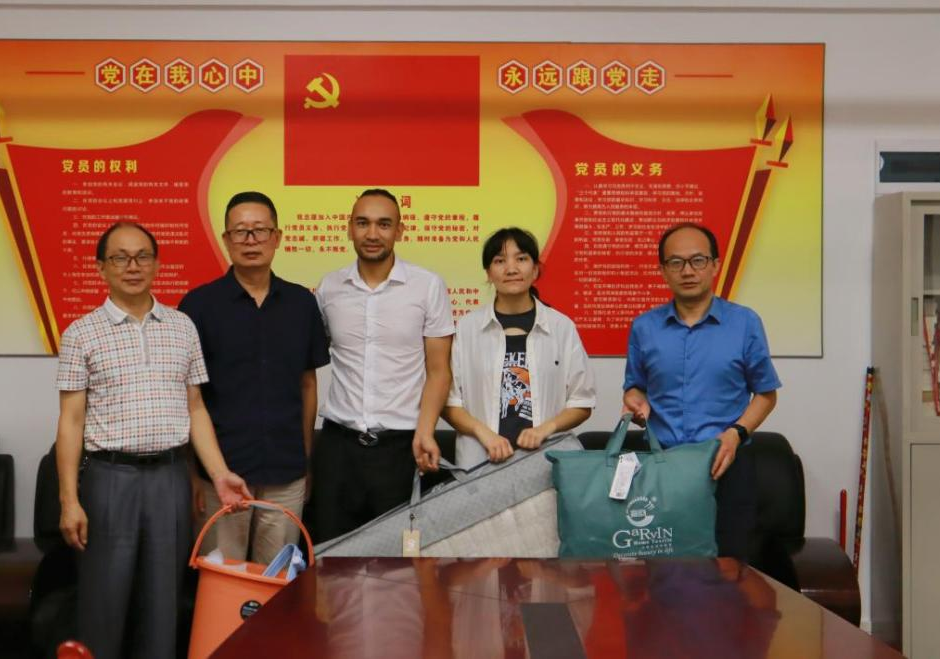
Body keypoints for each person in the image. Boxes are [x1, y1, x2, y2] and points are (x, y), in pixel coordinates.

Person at [54, 222, 251, 659]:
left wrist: (219, 474)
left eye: (143, 256)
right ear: (101, 268)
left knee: (164, 605)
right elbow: (70, 422)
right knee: (104, 603)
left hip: (170, 478)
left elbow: (195, 409)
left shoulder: (182, 327)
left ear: (157, 264)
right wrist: (69, 500)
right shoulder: (81, 333)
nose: (133, 266)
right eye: (120, 257)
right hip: (109, 480)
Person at [179, 191, 329, 564]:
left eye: (260, 230)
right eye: (240, 231)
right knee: (220, 580)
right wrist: (193, 474)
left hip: (286, 473)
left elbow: (307, 385)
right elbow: (188, 397)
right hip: (220, 475)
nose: (250, 240)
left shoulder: (301, 303)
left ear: (277, 237)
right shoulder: (197, 306)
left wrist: (305, 461)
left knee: (276, 580)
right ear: (226, 239)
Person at [621, 222, 780, 559]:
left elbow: (766, 394)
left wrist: (736, 433)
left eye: (698, 260)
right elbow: (634, 387)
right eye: (676, 262)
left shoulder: (745, 323)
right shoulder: (644, 327)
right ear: (663, 270)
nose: (687, 271)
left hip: (726, 464)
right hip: (663, 467)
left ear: (715, 265)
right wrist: (635, 402)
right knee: (663, 571)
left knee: (730, 568)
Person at [312, 188, 455, 543]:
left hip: (402, 448)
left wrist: (425, 431)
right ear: (349, 228)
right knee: (331, 556)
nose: (372, 233)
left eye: (383, 224)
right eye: (363, 223)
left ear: (399, 231)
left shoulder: (427, 286)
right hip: (338, 447)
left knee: (398, 561)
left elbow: (439, 371)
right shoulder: (329, 288)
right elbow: (307, 363)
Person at [444, 227, 595, 467]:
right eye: (500, 261)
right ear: (488, 273)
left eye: (521, 259)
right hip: (480, 462)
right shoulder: (467, 328)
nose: (511, 269)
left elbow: (581, 402)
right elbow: (450, 402)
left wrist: (545, 429)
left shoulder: (561, 326)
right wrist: (485, 434)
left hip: (544, 463)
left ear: (535, 270)